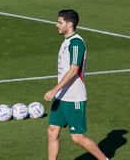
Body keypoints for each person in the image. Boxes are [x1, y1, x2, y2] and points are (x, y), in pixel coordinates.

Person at [44, 9, 108, 160]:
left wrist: (54, 90)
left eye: (60, 22)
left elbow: (74, 71)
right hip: (61, 97)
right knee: (52, 130)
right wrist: (57, 93)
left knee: (77, 137)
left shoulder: (77, 43)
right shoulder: (67, 42)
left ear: (70, 24)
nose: (56, 25)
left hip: (74, 97)